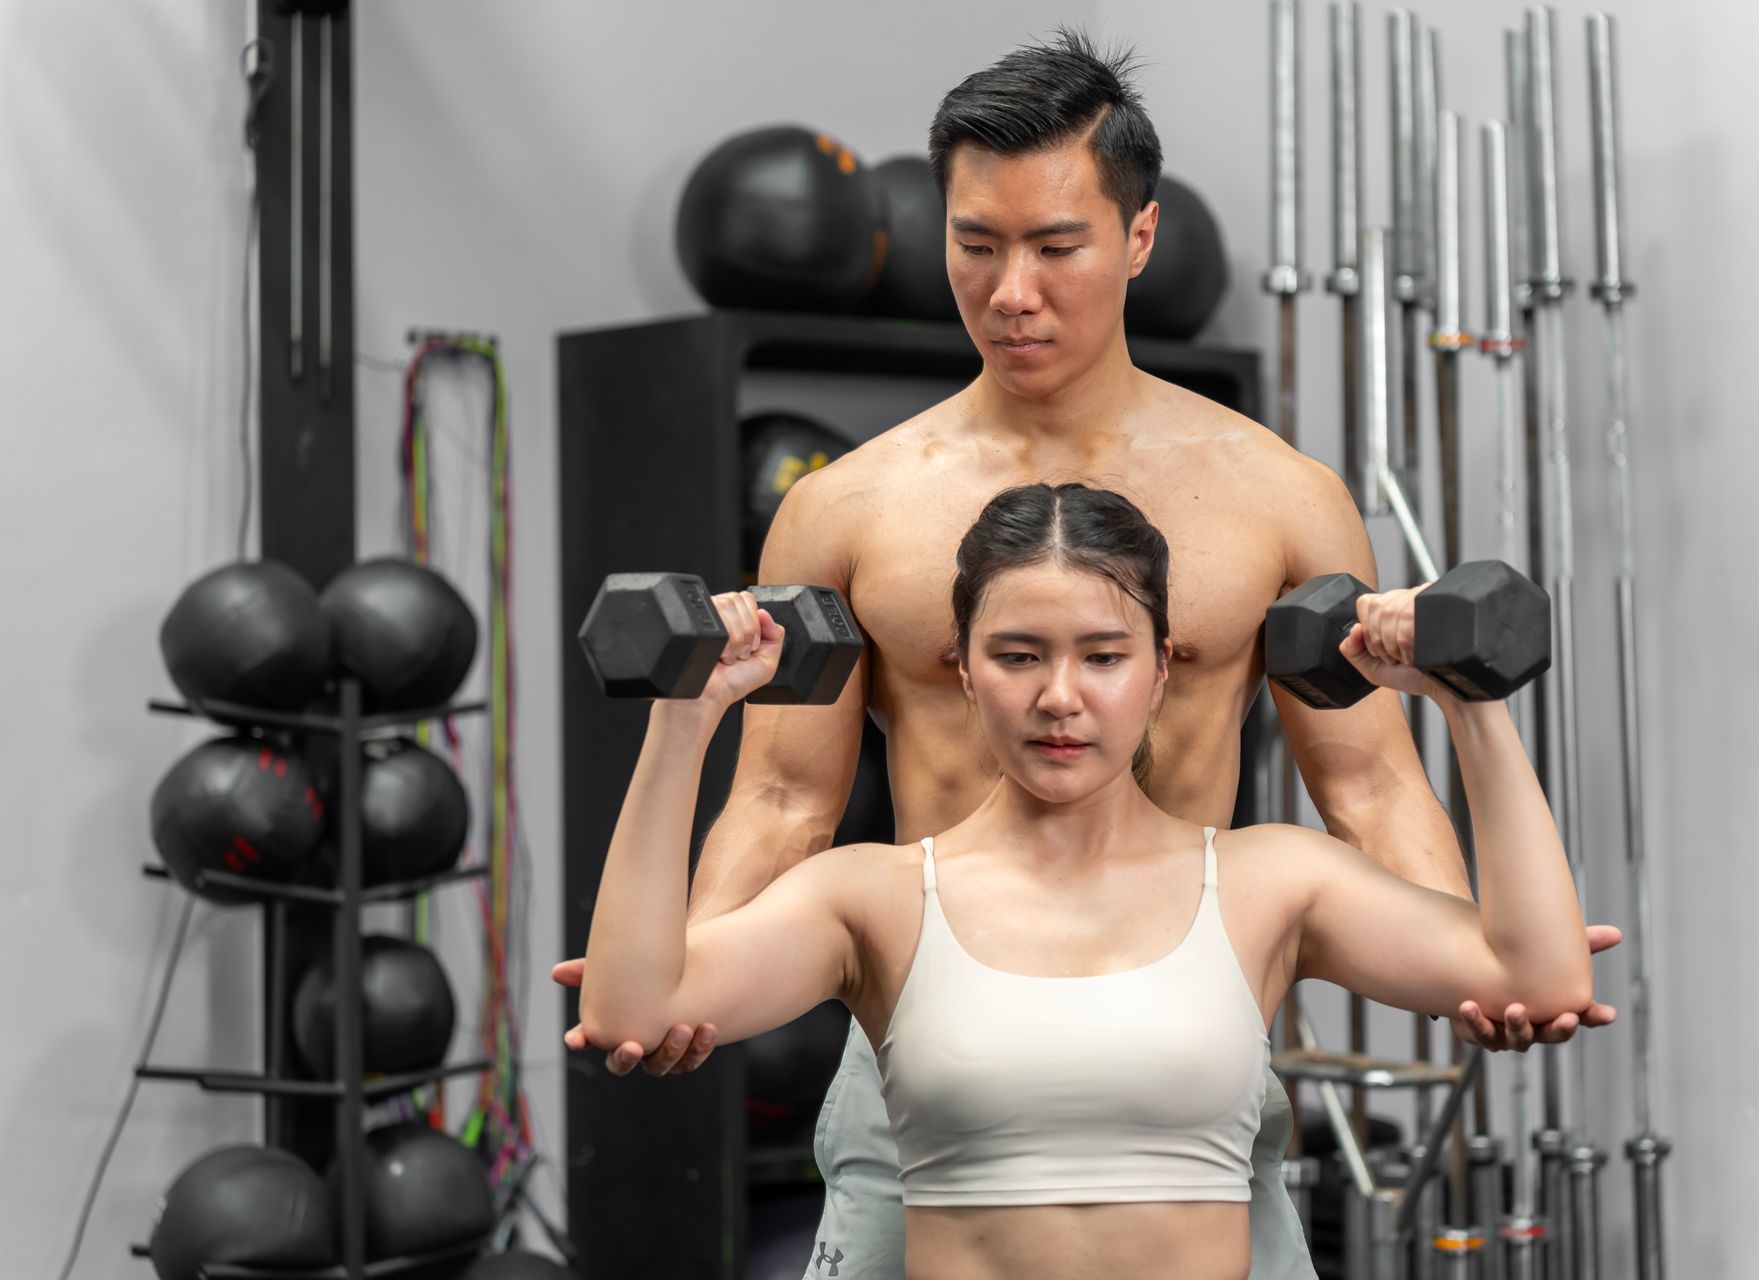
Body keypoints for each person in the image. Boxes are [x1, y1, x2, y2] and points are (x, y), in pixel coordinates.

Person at [556, 29, 1615, 1280]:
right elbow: (787, 793)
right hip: (935, 1075)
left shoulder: (1277, 495)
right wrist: (684, 969)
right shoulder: (848, 506)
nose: (1013, 291)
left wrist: (1470, 959)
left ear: (1141, 238)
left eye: (1057, 247)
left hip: (1186, 1080)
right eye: (976, 243)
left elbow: (1370, 780)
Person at [576, 483, 1594, 1280]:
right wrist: (686, 716)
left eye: (1104, 654)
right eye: (1017, 654)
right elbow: (634, 1005)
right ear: (965, 671)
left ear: (1163, 670)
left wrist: (1470, 706)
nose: (1060, 696)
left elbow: (1536, 976)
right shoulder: (874, 897)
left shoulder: (1269, 880)